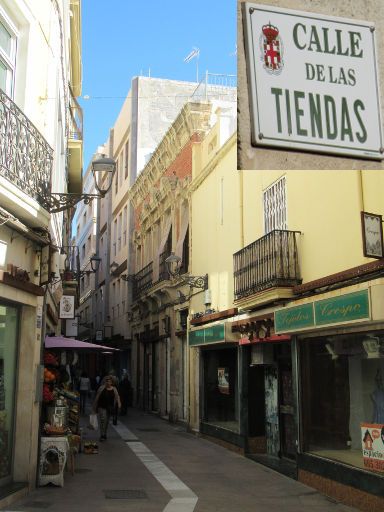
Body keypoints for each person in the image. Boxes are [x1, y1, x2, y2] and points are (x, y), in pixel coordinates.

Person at [92, 375, 121, 441]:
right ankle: (102, 435)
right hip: (101, 407)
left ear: (112, 382)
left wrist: (119, 403)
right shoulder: (101, 388)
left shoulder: (114, 389)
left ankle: (104, 433)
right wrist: (94, 406)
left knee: (106, 421)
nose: (108, 383)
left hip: (109, 407)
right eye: (107, 381)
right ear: (105, 382)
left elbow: (117, 396)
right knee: (103, 420)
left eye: (110, 381)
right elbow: (97, 397)